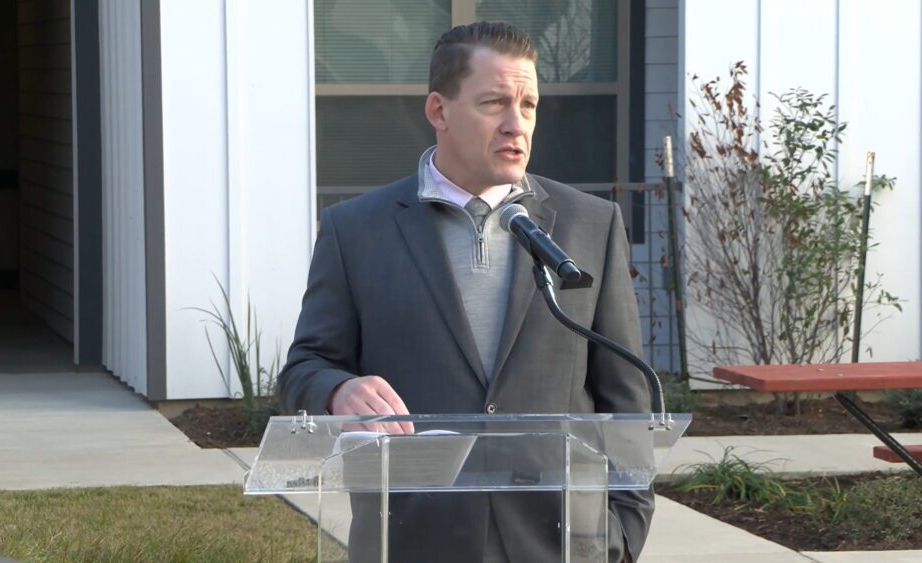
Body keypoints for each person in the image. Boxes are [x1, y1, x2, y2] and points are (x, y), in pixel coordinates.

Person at [279, 21, 652, 563]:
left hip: (562, 543)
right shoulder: (356, 229)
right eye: (494, 103)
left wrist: (622, 533)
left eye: (528, 105)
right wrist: (337, 391)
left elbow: (626, 399)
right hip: (412, 539)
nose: (515, 124)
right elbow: (304, 368)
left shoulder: (590, 225)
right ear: (439, 111)